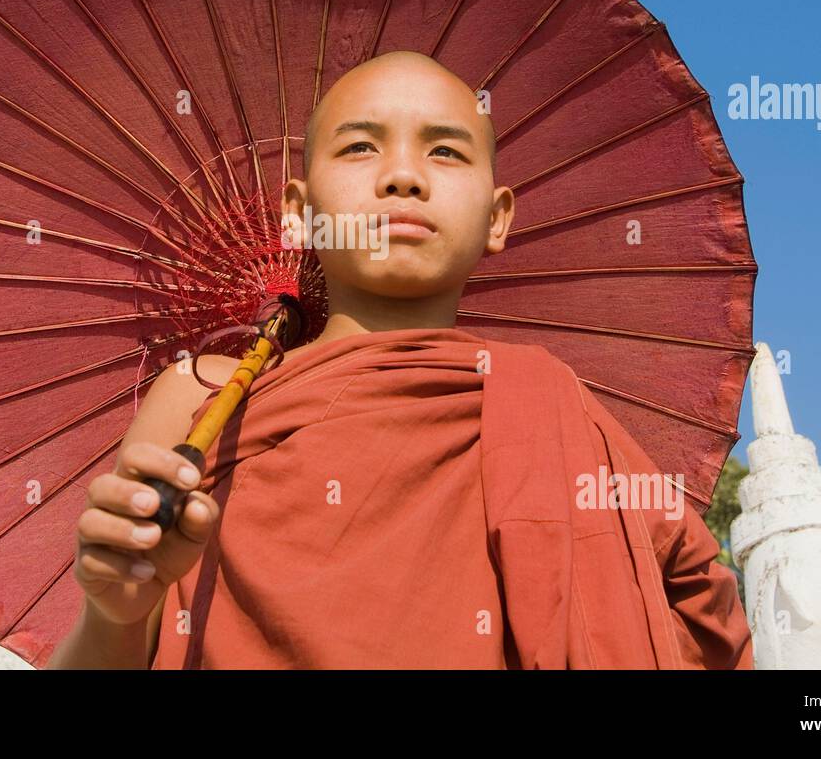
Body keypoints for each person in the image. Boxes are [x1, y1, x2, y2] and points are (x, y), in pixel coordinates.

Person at [46, 51, 754, 670]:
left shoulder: (549, 408)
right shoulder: (201, 399)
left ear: (497, 216)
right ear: (298, 211)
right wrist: (117, 614)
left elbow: (691, 612)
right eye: (359, 148)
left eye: (445, 152)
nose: (404, 177)